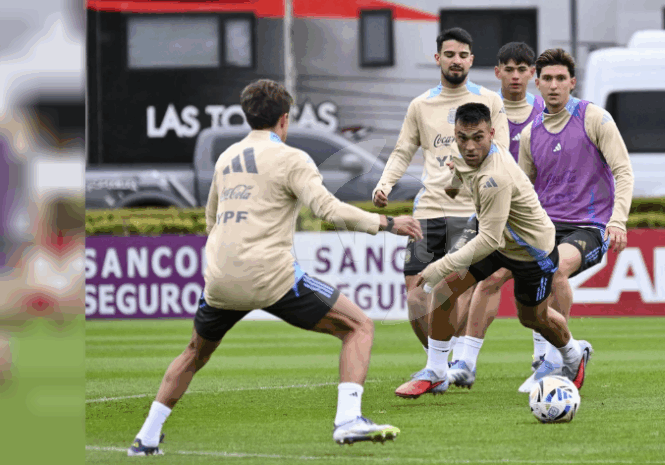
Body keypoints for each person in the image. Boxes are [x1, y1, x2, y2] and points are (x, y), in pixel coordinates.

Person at [127, 79, 423, 455]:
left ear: (247, 115)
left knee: (194, 353)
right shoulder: (291, 158)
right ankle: (348, 420)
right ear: (284, 119)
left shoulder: (227, 158)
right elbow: (328, 210)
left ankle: (146, 437)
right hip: (272, 276)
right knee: (359, 326)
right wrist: (388, 224)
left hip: (219, 277)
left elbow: (211, 219)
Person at [393, 102, 591, 399]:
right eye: (462, 138)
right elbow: (466, 176)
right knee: (446, 288)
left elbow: (488, 241)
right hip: (496, 234)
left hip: (530, 250)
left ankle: (574, 354)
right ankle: (436, 371)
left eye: (477, 138)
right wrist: (454, 178)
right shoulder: (475, 155)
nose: (469, 146)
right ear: (455, 135)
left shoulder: (494, 178)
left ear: (492, 134)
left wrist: (440, 265)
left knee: (533, 318)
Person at [372, 28, 510, 376]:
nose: (456, 60)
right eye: (449, 54)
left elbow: (504, 153)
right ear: (438, 59)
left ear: (471, 60)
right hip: (428, 211)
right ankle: (441, 363)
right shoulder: (421, 105)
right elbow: (403, 150)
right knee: (416, 297)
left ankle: (446, 363)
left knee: (455, 291)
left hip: (472, 213)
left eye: (463, 55)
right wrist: (385, 183)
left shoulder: (490, 102)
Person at [515, 48, 634, 393]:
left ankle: (557, 359)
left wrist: (619, 221)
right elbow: (524, 192)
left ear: (572, 82)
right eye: (547, 79)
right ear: (536, 83)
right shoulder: (530, 134)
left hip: (590, 227)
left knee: (554, 270)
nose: (553, 85)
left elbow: (622, 170)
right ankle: (569, 348)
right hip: (546, 229)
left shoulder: (594, 117)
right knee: (525, 304)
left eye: (560, 79)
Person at [444, 42, 547, 389]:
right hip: (493, 211)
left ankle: (543, 357)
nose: (516, 76)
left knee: (547, 282)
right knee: (476, 280)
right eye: (509, 68)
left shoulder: (547, 112)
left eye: (523, 69)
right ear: (497, 72)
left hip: (534, 213)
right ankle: (462, 360)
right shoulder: (486, 113)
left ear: (532, 74)